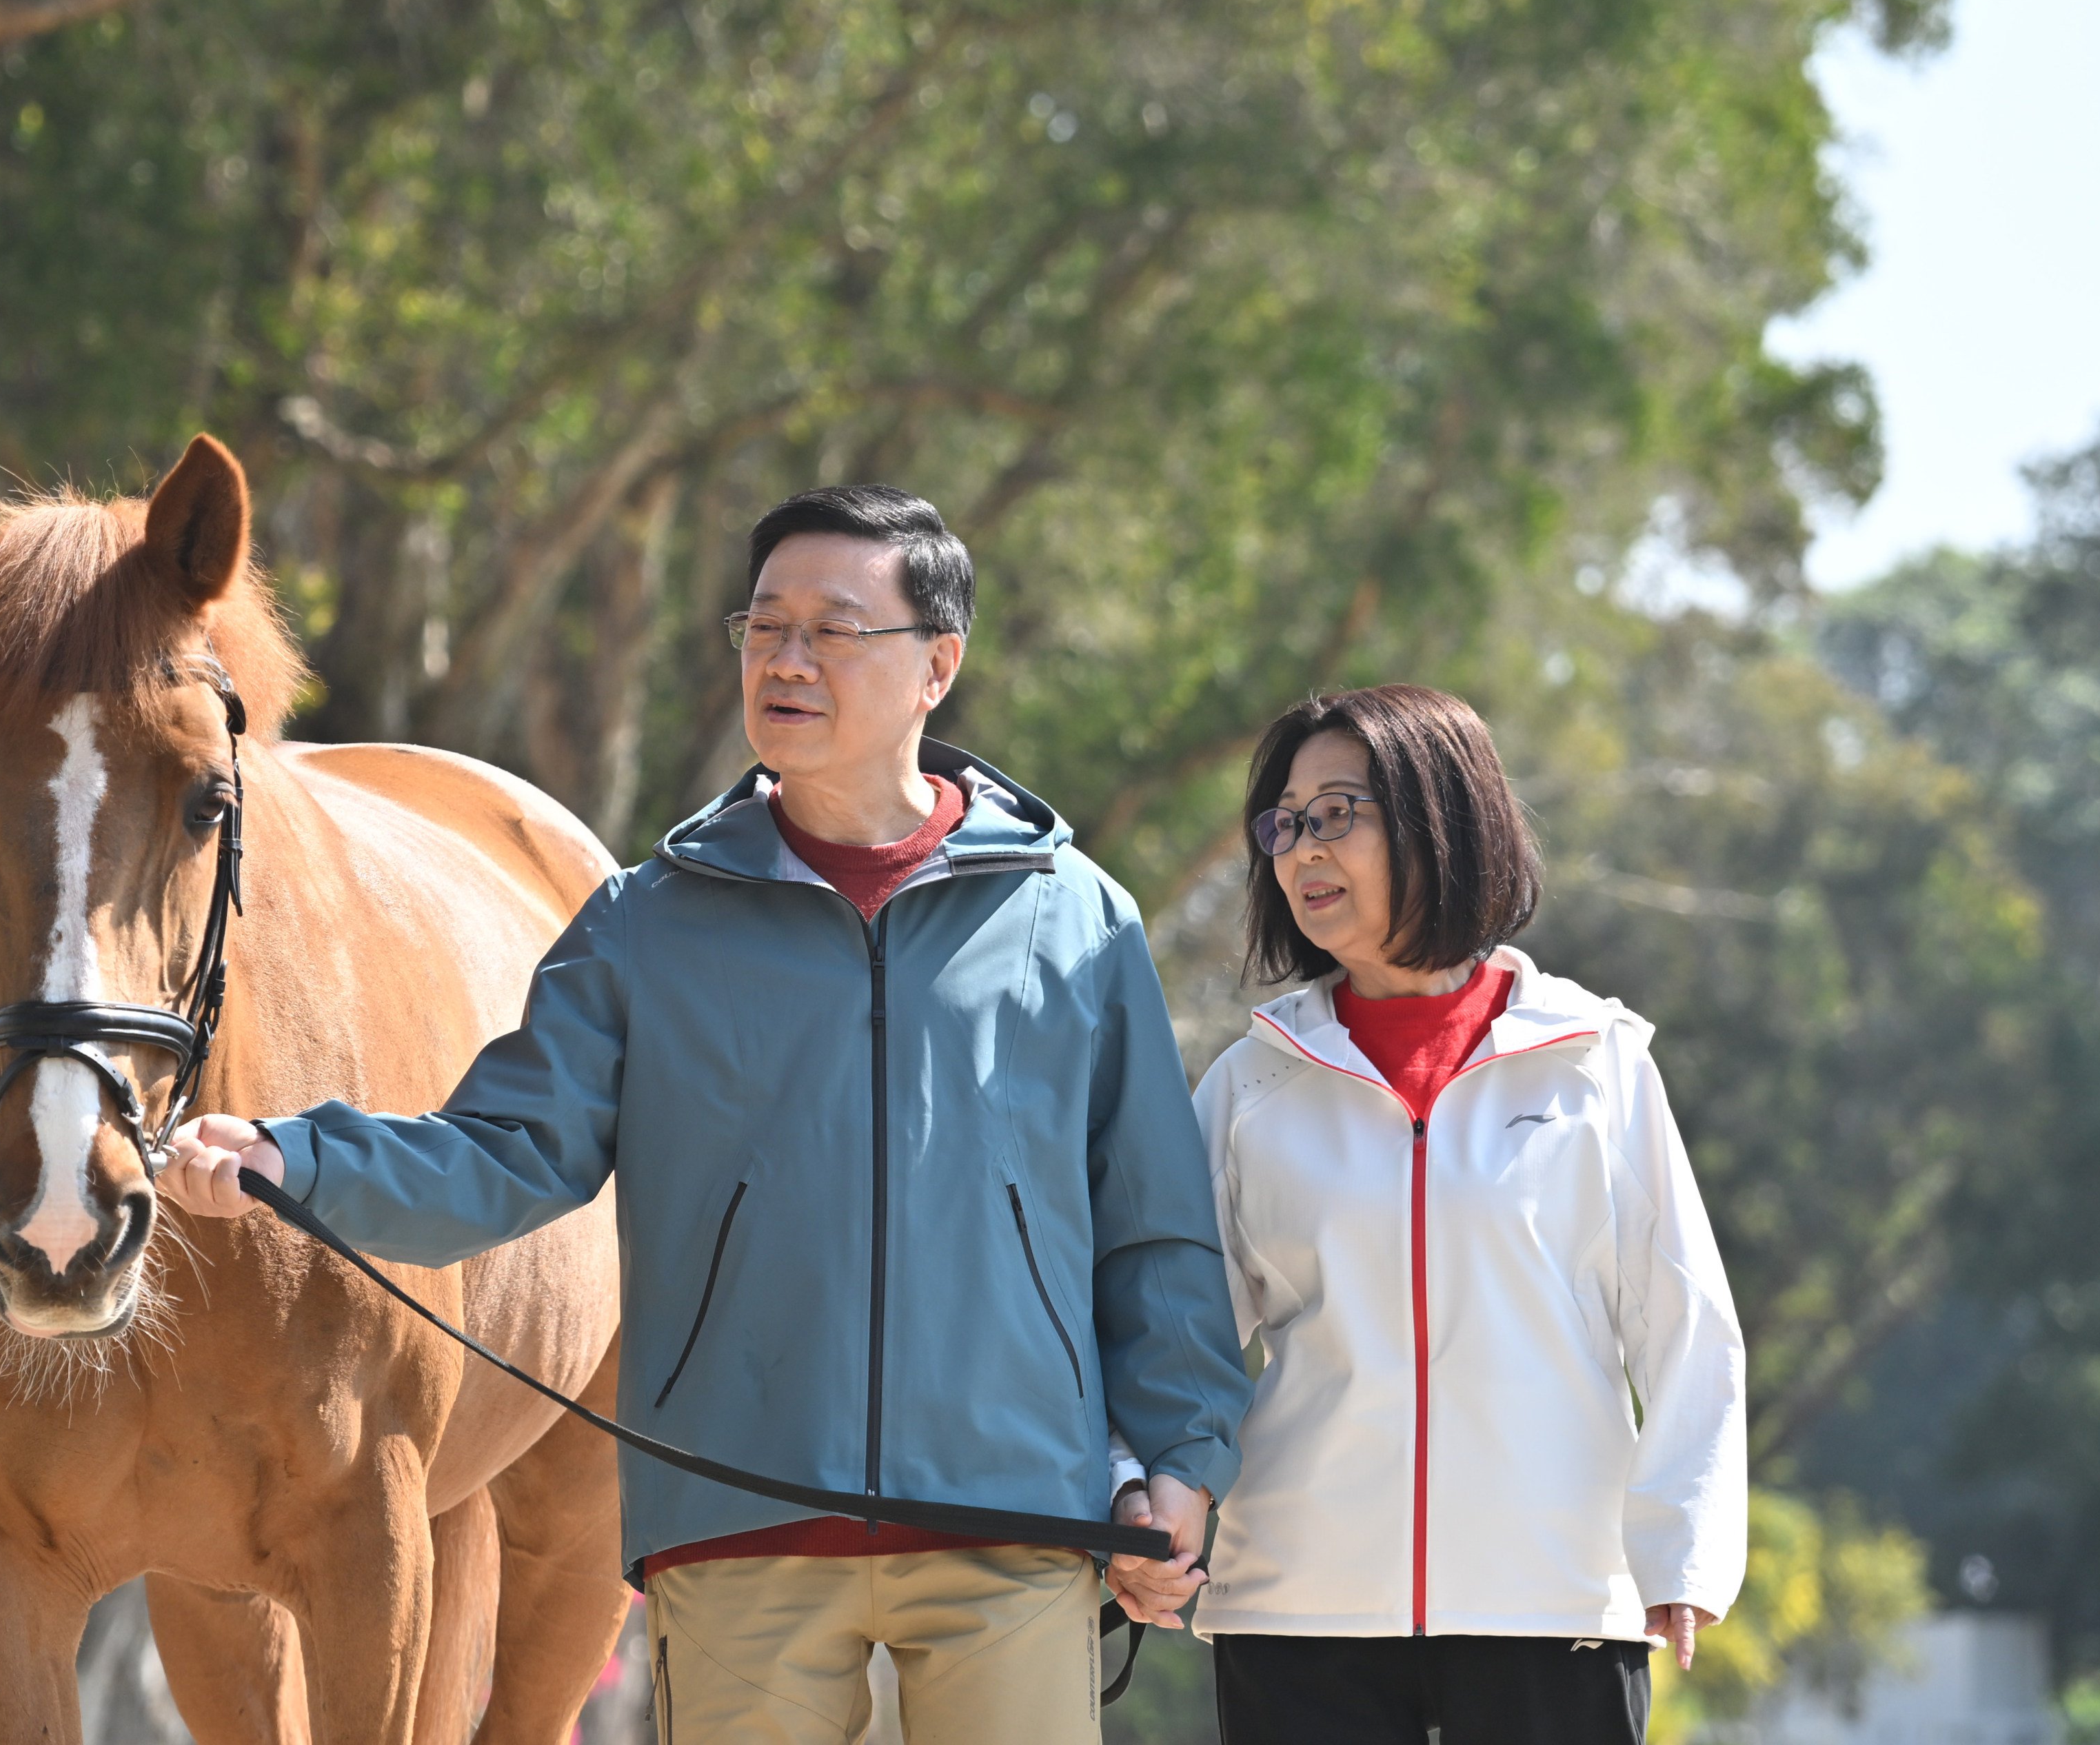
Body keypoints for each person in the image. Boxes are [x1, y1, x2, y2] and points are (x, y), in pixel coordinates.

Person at [163, 485, 1244, 1744]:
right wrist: (295, 1158)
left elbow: (1152, 1223)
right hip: (741, 1523)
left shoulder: (1074, 918)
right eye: (763, 625)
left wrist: (1184, 1457)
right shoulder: (645, 922)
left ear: (936, 665)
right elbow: (506, 1157)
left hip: (1012, 1523)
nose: (785, 658)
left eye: (833, 629)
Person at [1124, 685, 1744, 1744]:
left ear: (1441, 819)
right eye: (1284, 823)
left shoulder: (1596, 1063)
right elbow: (1183, 1337)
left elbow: (1684, 1318)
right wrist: (1143, 1494)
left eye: (1337, 814)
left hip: (1549, 1608)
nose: (1301, 848)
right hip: (1299, 1613)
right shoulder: (1249, 1086)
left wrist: (1682, 1550)